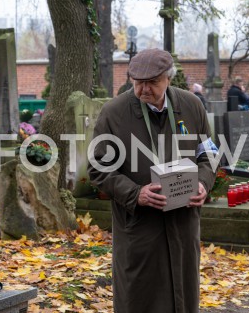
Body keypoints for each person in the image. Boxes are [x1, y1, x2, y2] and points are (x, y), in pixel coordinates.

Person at [88, 48, 216, 313]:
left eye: (152, 82)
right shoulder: (114, 113)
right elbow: (98, 168)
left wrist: (203, 182)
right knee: (139, 297)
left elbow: (209, 154)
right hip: (140, 227)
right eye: (138, 82)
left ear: (168, 78)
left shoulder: (191, 106)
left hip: (183, 221)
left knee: (183, 293)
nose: (144, 89)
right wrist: (136, 193)